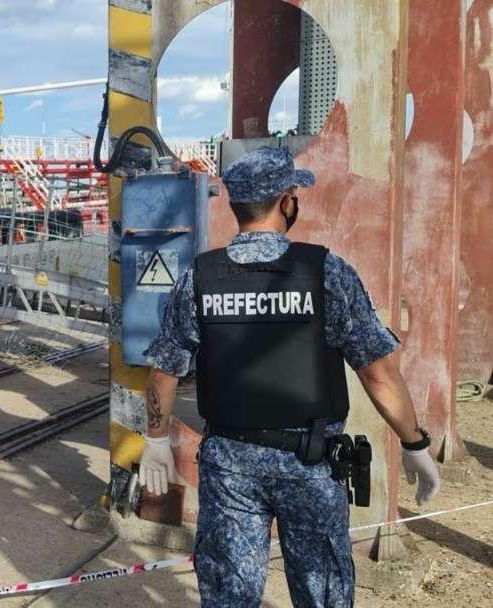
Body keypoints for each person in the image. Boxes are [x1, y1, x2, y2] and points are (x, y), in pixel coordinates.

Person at [140, 146, 442, 607]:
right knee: (322, 596)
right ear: (286, 202)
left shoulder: (199, 277)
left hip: (229, 466)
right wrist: (414, 443)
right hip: (310, 465)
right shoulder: (327, 273)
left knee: (229, 596)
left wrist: (156, 438)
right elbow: (378, 373)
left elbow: (164, 369)